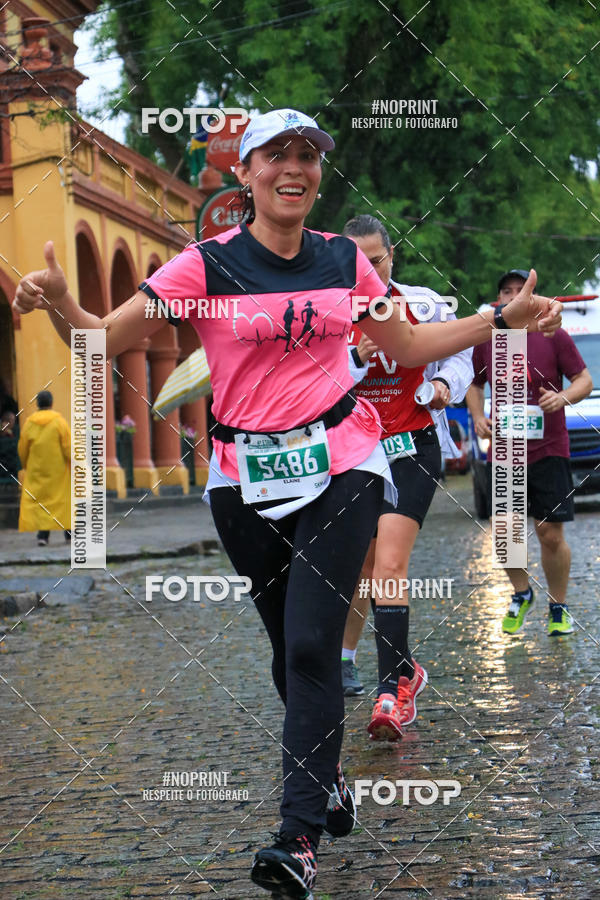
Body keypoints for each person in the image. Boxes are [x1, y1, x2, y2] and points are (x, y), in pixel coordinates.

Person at [14, 109, 562, 900]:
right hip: (240, 479)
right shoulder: (203, 266)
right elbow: (100, 337)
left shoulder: (344, 261)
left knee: (311, 647)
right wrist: (62, 300)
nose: (295, 168)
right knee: (285, 650)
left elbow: (407, 347)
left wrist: (496, 320)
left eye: (308, 155)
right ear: (247, 174)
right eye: (278, 155)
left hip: (344, 462)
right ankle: (326, 776)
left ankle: (296, 838)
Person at [340, 214, 473, 742]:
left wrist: (444, 384)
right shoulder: (326, 310)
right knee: (366, 565)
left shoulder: (423, 304)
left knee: (391, 562)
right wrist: (355, 357)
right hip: (353, 452)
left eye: (376, 260)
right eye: (357, 264)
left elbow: (462, 355)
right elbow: (306, 381)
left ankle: (391, 692)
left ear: (391, 254)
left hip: (412, 447)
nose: (368, 271)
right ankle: (400, 667)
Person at [466, 268, 592, 638]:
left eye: (522, 290)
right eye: (507, 291)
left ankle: (559, 605)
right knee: (506, 532)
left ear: (533, 298)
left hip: (549, 447)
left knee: (549, 532)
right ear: (500, 300)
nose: (514, 296)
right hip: (505, 450)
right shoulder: (486, 337)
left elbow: (583, 379)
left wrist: (563, 397)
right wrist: (476, 415)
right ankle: (522, 593)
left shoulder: (552, 334)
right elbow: (473, 384)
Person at [17, 390, 71, 545]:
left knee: (41, 503)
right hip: (58, 470)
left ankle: (43, 536)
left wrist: (25, 464)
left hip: (37, 470)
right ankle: (69, 534)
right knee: (63, 501)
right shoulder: (59, 422)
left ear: (37, 405)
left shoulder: (29, 423)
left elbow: (22, 448)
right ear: (52, 404)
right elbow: (68, 447)